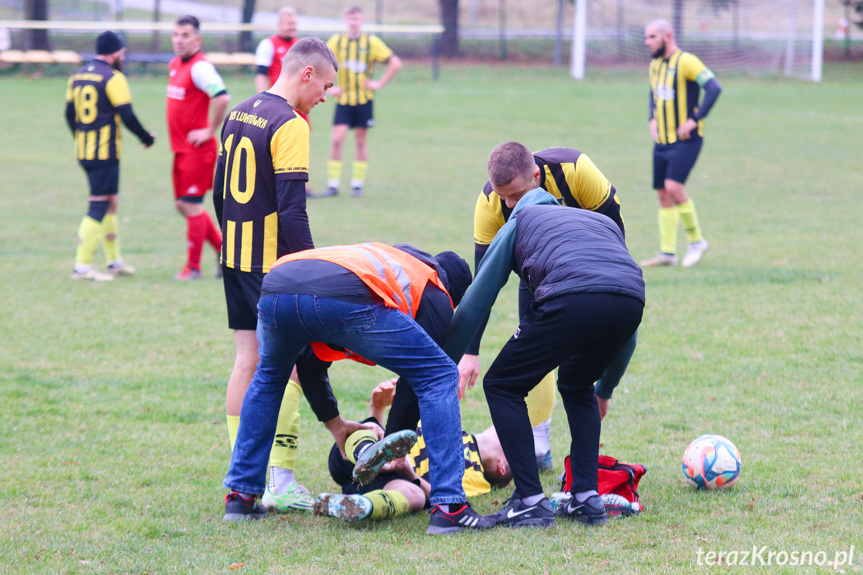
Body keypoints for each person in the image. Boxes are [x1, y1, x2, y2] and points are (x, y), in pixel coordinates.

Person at [222, 242, 493, 536]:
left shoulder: (392, 259)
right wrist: (394, 447)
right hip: (343, 292)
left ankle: (241, 497)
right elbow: (415, 384)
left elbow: (309, 364)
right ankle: (451, 509)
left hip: (277, 284)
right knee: (439, 374)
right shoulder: (435, 288)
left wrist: (335, 425)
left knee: (268, 379)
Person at [445, 189, 645, 529]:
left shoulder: (520, 219)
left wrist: (441, 364)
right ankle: (586, 497)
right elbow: (629, 325)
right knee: (578, 384)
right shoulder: (598, 221)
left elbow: (479, 298)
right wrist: (606, 387)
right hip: (632, 301)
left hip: (571, 296)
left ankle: (529, 502)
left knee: (501, 385)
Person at [212, 37, 338, 514]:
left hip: (235, 255)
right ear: (306, 74)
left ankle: (242, 470)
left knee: (247, 359)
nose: (324, 97)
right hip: (272, 267)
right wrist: (308, 267)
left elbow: (219, 188)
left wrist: (228, 240)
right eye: (324, 85)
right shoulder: (291, 122)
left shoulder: (240, 110)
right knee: (283, 367)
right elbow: (292, 208)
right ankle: (279, 479)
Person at [459, 142, 639, 466]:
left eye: (516, 195)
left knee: (612, 340)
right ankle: (539, 443)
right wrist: (470, 351)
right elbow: (482, 283)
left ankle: (597, 398)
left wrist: (606, 389)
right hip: (537, 271)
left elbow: (614, 244)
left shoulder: (577, 172)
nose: (511, 205)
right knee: (533, 347)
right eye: (505, 198)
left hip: (592, 268)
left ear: (537, 176)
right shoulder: (489, 204)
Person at [315, 378, 511, 523]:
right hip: (350, 455)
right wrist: (377, 408)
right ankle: (369, 453)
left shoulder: (476, 475)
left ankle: (361, 506)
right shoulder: (458, 434)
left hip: (391, 480)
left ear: (500, 466)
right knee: (373, 430)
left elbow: (442, 495)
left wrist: (407, 471)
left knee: (415, 496)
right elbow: (391, 436)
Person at [65, 31, 155, 281]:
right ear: (115, 53)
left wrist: (81, 137)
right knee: (99, 204)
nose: (123, 58)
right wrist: (146, 138)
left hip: (84, 151)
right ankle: (81, 267)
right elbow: (127, 115)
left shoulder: (78, 75)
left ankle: (114, 262)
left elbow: (68, 114)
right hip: (104, 153)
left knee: (110, 203)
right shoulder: (112, 77)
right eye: (123, 54)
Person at [640, 19, 722, 268]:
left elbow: (714, 87)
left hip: (686, 140)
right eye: (646, 37)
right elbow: (653, 94)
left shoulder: (686, 61)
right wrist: (652, 118)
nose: (647, 42)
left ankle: (697, 242)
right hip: (662, 140)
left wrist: (695, 119)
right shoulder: (655, 65)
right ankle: (667, 253)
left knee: (674, 188)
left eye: (652, 37)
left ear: (668, 35)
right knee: (663, 194)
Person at [167, 15, 231, 280]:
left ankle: (192, 268)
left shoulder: (200, 67)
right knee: (182, 205)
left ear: (197, 39)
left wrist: (209, 129)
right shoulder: (175, 64)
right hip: (181, 148)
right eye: (176, 35)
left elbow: (222, 97)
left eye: (185, 35)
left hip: (198, 150)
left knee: (192, 206)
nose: (179, 40)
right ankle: (223, 252)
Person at [318, 5, 402, 198]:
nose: (353, 23)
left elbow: (395, 63)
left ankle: (357, 184)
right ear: (346, 21)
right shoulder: (337, 41)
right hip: (344, 100)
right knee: (337, 140)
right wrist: (328, 87)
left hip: (364, 100)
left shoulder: (371, 42)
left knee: (361, 141)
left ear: (361, 21)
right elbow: (320, 61)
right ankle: (333, 185)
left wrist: (379, 83)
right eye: (350, 19)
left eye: (356, 19)